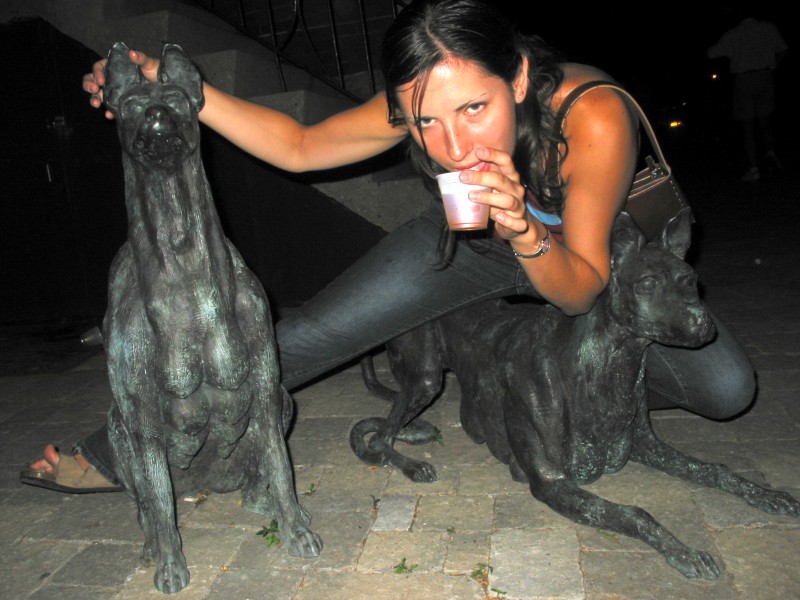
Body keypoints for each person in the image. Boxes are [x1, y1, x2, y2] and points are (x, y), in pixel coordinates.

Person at [22, 0, 756, 494]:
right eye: (425, 122)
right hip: (477, 243)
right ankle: (125, 448)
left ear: (518, 78)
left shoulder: (591, 117)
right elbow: (303, 145)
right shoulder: (423, 94)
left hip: (596, 268)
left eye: (475, 108)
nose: (453, 145)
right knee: (308, 334)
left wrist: (527, 228)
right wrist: (183, 89)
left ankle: (547, 375)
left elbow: (583, 286)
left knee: (727, 391)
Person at [707, 3, 788, 183]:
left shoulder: (734, 34)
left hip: (744, 80)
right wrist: (773, 66)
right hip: (765, 76)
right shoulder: (768, 27)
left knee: (748, 125)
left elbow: (711, 53)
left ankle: (754, 168)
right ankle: (771, 155)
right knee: (765, 119)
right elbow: (783, 50)